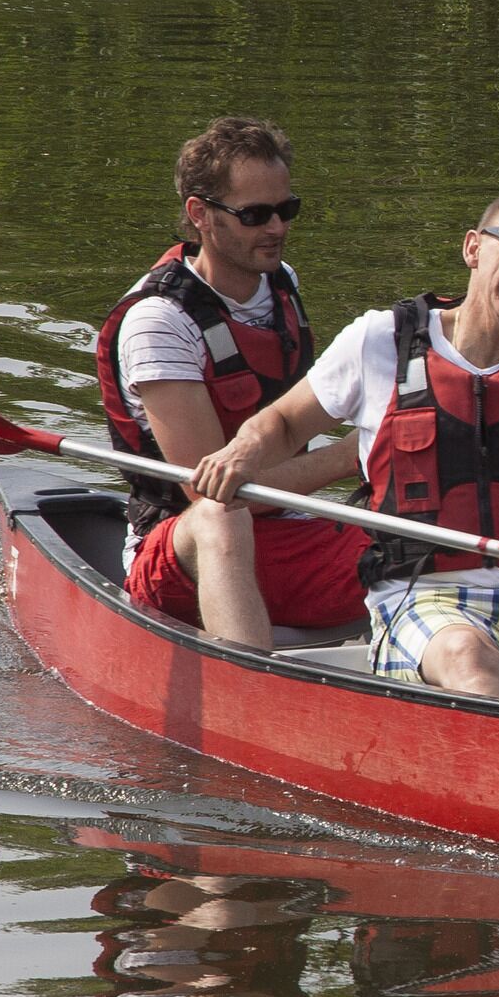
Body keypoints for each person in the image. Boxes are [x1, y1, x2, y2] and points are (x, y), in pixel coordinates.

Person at [190, 188, 499, 699]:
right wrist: (242, 449)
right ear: (474, 249)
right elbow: (283, 424)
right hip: (426, 602)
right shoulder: (377, 340)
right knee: (474, 664)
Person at [91, 118, 369, 649]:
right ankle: (249, 687)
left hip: (287, 531)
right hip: (181, 552)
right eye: (254, 215)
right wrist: (348, 457)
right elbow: (208, 491)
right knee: (222, 516)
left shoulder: (281, 283)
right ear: (200, 215)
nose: (277, 229)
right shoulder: (159, 322)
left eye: (286, 210)